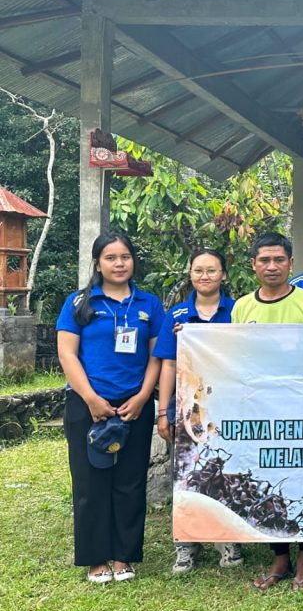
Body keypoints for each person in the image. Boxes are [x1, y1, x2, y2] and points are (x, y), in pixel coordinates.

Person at [56, 232, 165, 584]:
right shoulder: (79, 303)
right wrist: (90, 399)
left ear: (134, 261)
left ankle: (123, 557)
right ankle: (95, 559)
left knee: (130, 482)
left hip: (135, 404)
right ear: (98, 263)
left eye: (125, 257)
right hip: (87, 404)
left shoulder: (149, 304)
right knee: (91, 483)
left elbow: (157, 356)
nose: (119, 264)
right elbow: (67, 353)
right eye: (110, 257)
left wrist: (144, 397)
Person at [232, 232, 303, 591]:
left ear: (290, 263)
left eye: (279, 260)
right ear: (254, 265)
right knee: (267, 479)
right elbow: (236, 355)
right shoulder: (242, 307)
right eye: (264, 260)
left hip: (302, 403)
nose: (272, 266)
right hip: (260, 407)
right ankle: (280, 555)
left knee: (302, 479)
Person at [153, 249, 241, 574]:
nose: (205, 276)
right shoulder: (177, 316)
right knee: (185, 475)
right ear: (190, 274)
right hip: (187, 411)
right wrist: (164, 411)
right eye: (198, 270)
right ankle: (186, 545)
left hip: (227, 407)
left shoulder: (237, 311)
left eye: (211, 270)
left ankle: (227, 540)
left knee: (224, 471)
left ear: (223, 275)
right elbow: (168, 363)